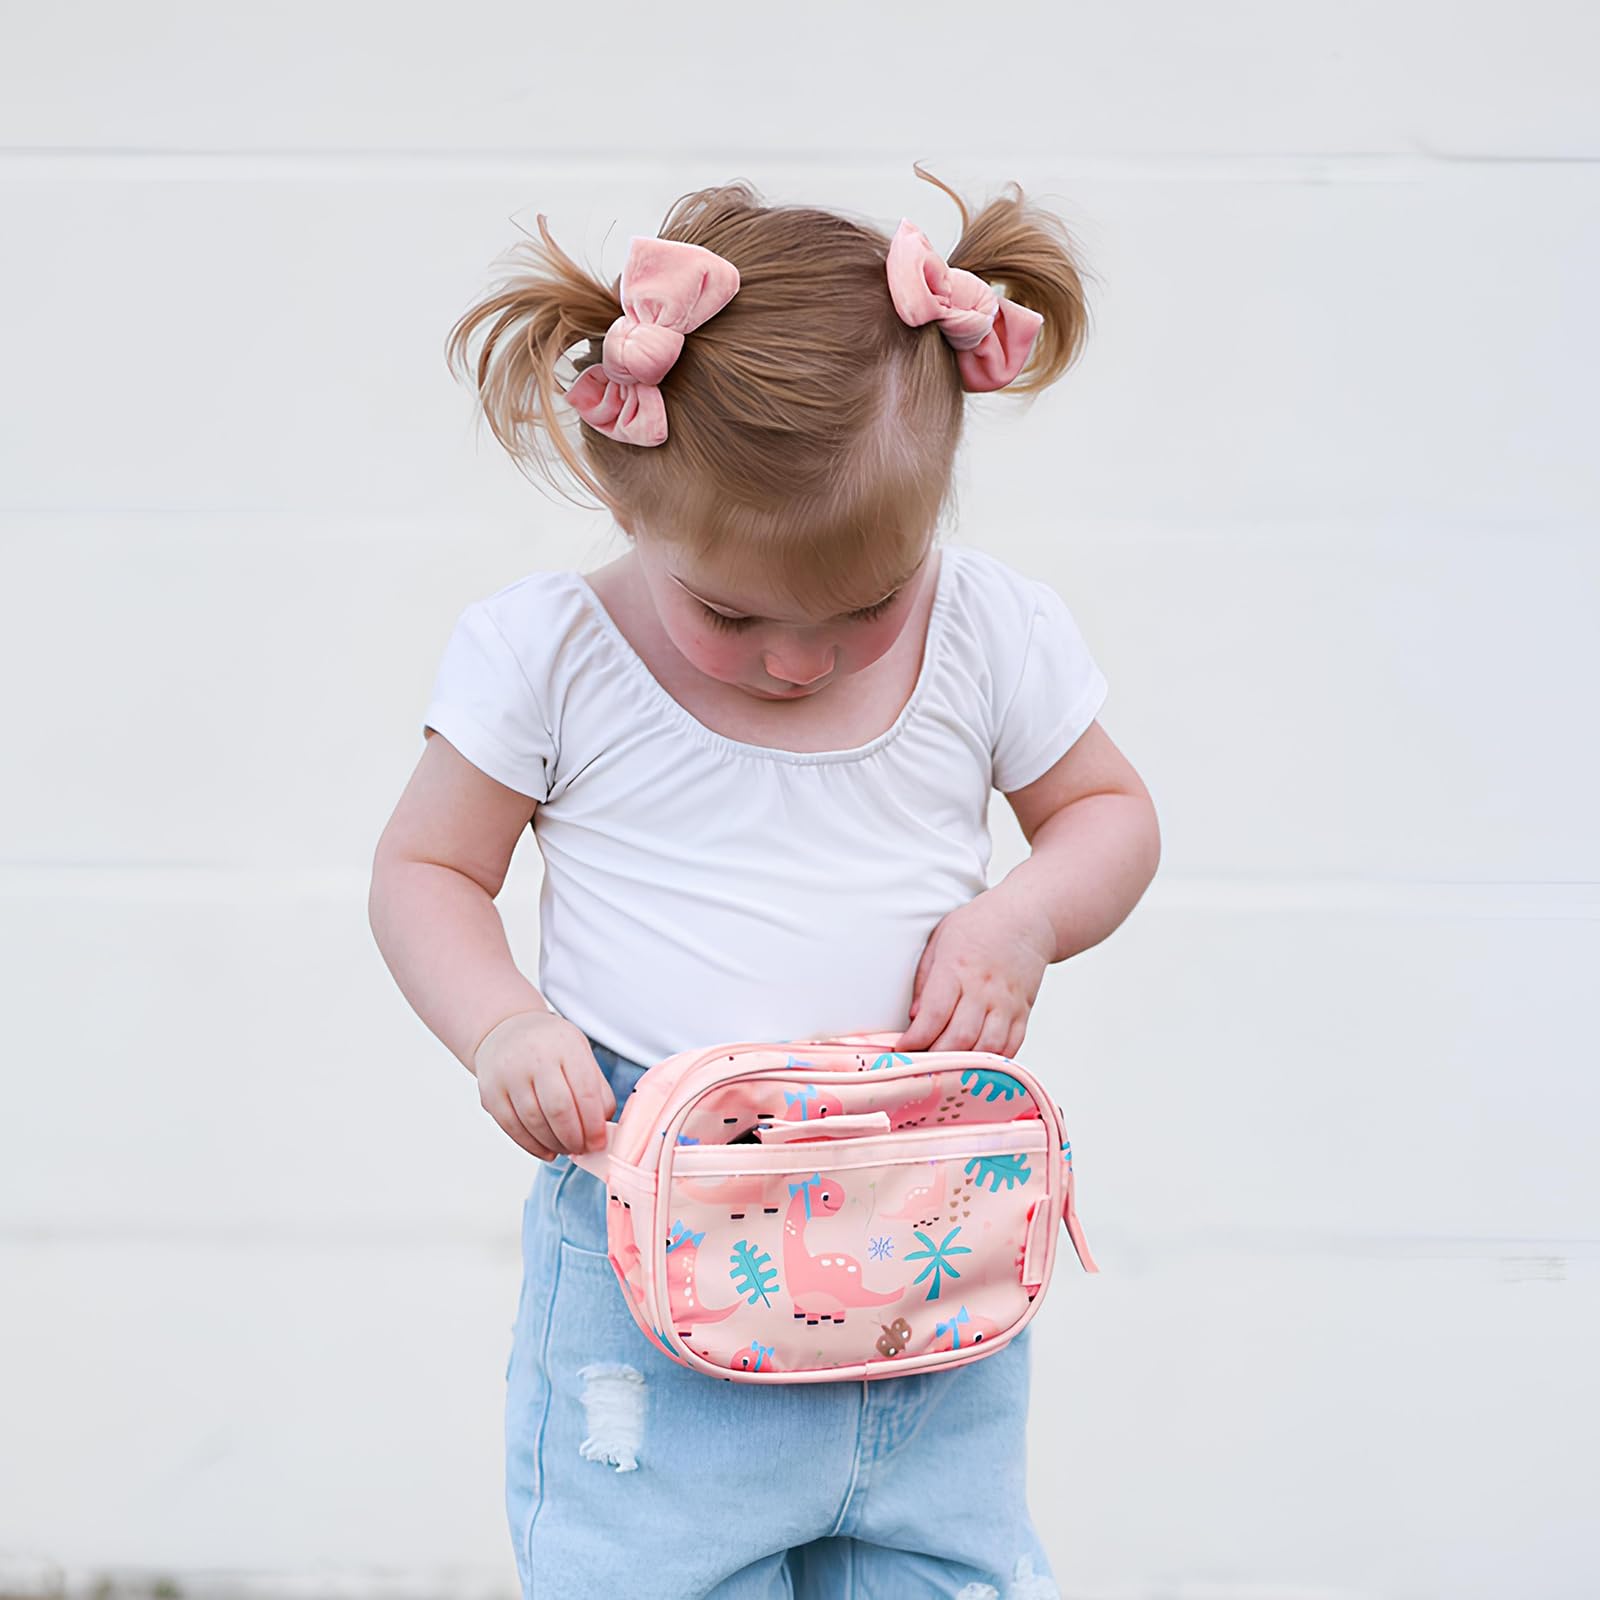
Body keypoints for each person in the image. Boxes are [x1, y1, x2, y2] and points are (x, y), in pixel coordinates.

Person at [369, 163, 1161, 1600]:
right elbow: (426, 869)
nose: (803, 661)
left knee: (942, 1570)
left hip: (916, 1226)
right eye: (733, 613)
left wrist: (1023, 913)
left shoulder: (989, 630)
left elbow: (1109, 811)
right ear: (625, 495)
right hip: (655, 1245)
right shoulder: (551, 659)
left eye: (869, 608)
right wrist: (501, 1025)